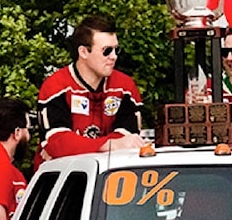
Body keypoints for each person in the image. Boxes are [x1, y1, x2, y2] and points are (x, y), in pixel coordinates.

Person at [34, 15, 147, 171]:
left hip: (109, 178)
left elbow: (129, 142)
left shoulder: (125, 87)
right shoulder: (56, 87)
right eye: (106, 51)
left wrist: (81, 146)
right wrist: (109, 145)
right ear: (84, 52)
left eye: (116, 49)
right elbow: (58, 145)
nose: (114, 57)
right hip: (63, 180)